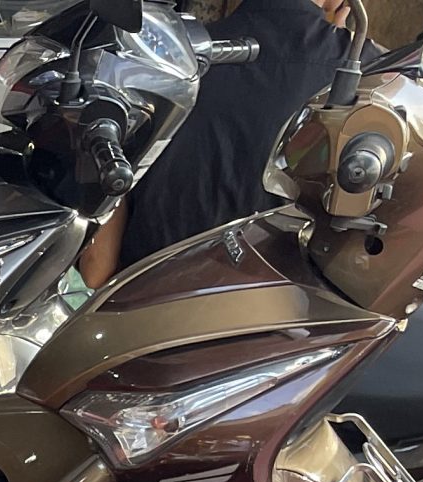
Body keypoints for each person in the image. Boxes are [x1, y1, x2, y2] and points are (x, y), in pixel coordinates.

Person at [78, 0, 355, 285]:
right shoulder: (371, 86)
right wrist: (344, 66)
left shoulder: (165, 60)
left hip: (143, 309)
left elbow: (95, 269)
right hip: (269, 316)